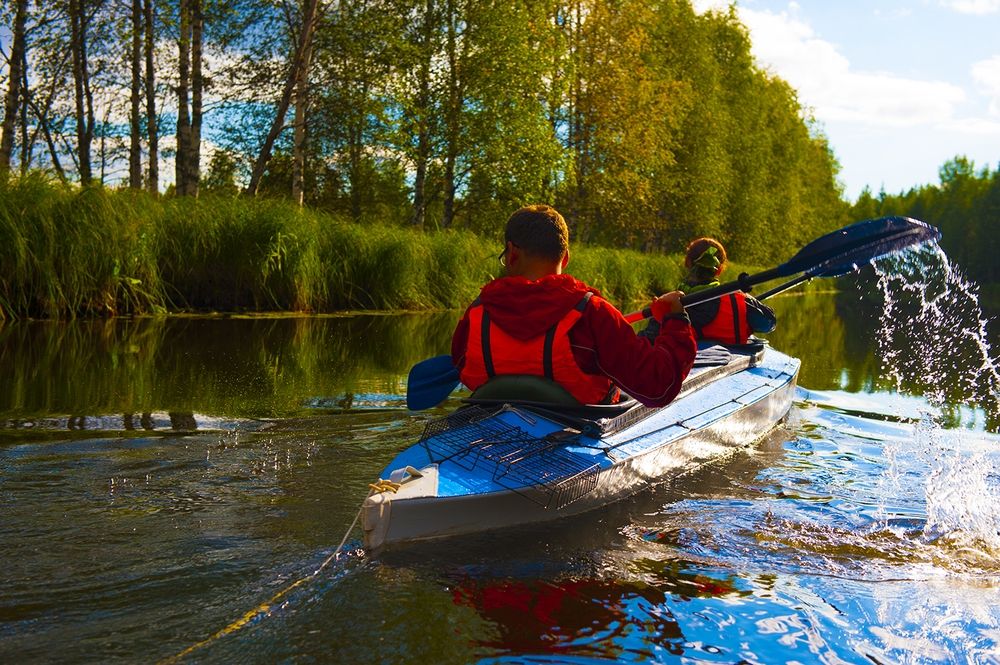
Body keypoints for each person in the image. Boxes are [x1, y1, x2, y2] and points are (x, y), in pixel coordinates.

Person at [451, 204, 697, 408]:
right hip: (576, 428)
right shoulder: (594, 314)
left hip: (491, 426)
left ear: (512, 253)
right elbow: (658, 388)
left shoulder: (476, 313)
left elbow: (463, 367)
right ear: (565, 257)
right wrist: (675, 321)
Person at [643, 237, 775, 346]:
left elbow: (647, 341)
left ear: (687, 262)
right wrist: (748, 300)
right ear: (719, 270)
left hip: (684, 370)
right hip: (729, 368)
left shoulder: (669, 303)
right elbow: (768, 324)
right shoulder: (738, 300)